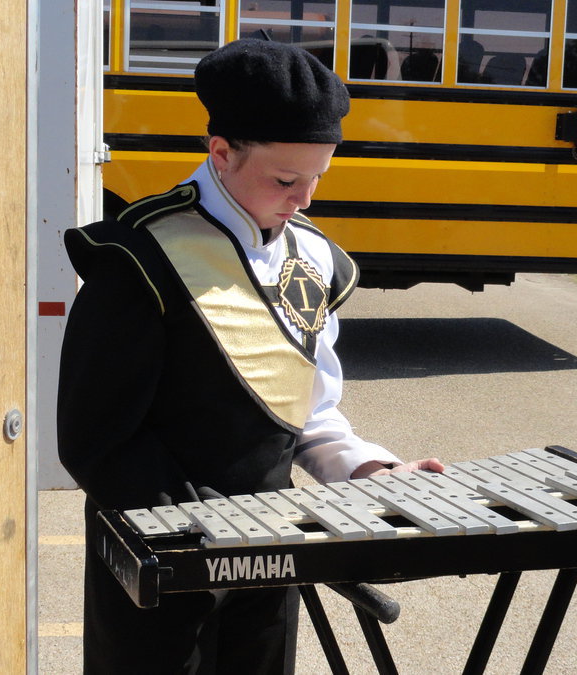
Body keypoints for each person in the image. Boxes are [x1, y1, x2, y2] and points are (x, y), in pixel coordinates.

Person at [57, 38, 445, 674]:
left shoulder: (312, 256)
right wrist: (202, 534)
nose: (305, 200)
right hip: (158, 566)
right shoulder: (136, 259)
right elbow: (94, 441)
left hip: (269, 558)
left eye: (318, 178)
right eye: (286, 180)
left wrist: (370, 470)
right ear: (221, 153)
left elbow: (307, 414)